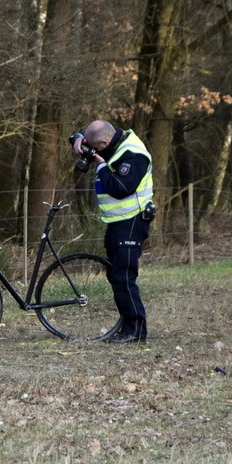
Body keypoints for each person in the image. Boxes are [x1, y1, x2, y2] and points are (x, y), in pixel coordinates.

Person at [71, 120, 154, 344]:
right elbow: (81, 137)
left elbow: (121, 188)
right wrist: (78, 139)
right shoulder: (114, 142)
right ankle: (127, 326)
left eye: (96, 148)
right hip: (117, 222)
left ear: (105, 143)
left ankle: (136, 331)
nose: (94, 153)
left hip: (132, 222)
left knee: (124, 276)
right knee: (116, 276)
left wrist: (100, 165)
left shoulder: (134, 154)